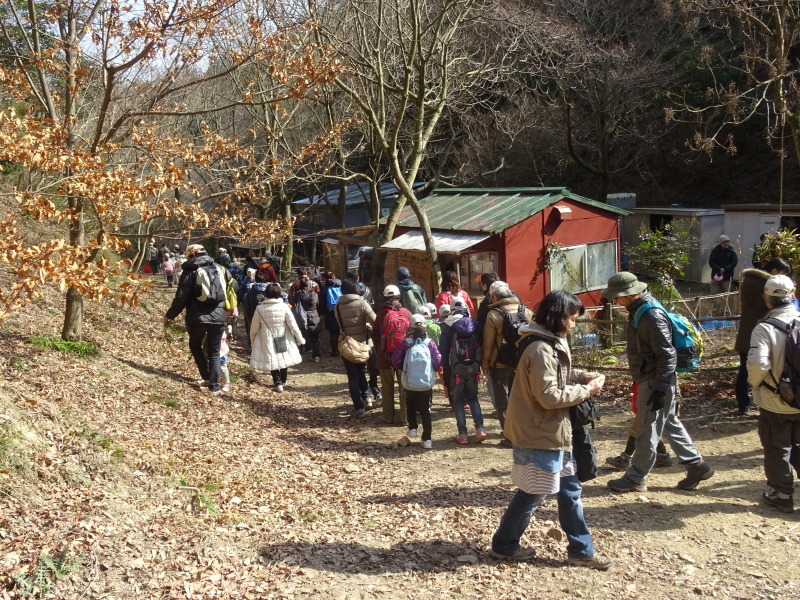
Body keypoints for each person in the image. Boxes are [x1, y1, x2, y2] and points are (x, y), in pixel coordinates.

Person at [490, 291, 611, 569]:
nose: (574, 324)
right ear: (559, 317)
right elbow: (549, 396)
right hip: (539, 433)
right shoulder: (539, 348)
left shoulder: (550, 341)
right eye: (572, 318)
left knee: (570, 492)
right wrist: (586, 390)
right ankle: (504, 545)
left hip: (554, 432)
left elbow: (557, 374)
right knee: (532, 494)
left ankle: (581, 550)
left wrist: (581, 377)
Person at [601, 272, 714, 492]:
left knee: (646, 428)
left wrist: (660, 388)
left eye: (617, 296)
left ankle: (636, 477)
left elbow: (666, 353)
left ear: (631, 294)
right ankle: (697, 466)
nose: (614, 301)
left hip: (655, 379)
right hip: (657, 377)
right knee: (669, 422)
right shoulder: (641, 310)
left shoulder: (650, 315)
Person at [747, 274, 800, 513]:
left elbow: (758, 364)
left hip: (775, 400)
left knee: (777, 447)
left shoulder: (764, 328)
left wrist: (755, 384)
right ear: (793, 295)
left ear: (766, 299)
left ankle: (782, 495)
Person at [164, 244, 233, 395]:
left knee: (195, 346)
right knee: (214, 352)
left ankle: (207, 377)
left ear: (191, 255)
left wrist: (169, 315)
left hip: (198, 318)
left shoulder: (190, 271)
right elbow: (232, 287)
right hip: (219, 316)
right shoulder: (220, 268)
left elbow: (181, 297)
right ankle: (214, 387)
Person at [736, 258, 794, 416]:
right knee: (767, 369)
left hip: (747, 334)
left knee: (744, 371)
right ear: (774, 272)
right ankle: (764, 401)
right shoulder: (769, 290)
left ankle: (744, 405)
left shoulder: (750, 283)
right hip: (766, 333)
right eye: (783, 274)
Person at [482, 281, 533, 444]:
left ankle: (509, 437)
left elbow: (488, 344)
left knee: (503, 403)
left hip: (499, 364)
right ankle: (522, 432)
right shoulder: (526, 312)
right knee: (519, 400)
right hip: (521, 362)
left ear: (495, 296)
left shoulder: (493, 315)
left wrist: (485, 364)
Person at [392, 314, 442, 449]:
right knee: (425, 410)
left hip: (410, 381)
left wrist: (404, 368)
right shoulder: (430, 343)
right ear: (424, 326)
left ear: (410, 327)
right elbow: (438, 360)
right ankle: (427, 440)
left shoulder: (406, 342)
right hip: (426, 382)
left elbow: (395, 359)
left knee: (410, 404)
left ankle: (413, 429)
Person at [250, 283, 305, 392]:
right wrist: (299, 338)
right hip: (283, 335)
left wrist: (252, 340)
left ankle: (277, 382)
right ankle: (283, 380)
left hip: (266, 337)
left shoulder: (260, 308)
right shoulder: (284, 306)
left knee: (272, 358)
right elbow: (292, 324)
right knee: (283, 357)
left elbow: (254, 327)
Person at [335, 279, 377, 417]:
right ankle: (367, 397)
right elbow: (375, 320)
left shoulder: (338, 307)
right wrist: (366, 326)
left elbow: (344, 325)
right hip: (363, 345)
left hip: (347, 345)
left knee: (353, 376)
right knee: (362, 371)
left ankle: (359, 407)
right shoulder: (362, 303)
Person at [372, 285, 412, 424]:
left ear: (385, 297)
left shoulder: (381, 314)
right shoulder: (406, 313)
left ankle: (388, 417)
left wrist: (380, 350)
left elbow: (375, 335)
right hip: (403, 357)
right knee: (404, 386)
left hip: (385, 356)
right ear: (399, 297)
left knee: (387, 387)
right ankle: (405, 418)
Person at [447, 313, 486, 444]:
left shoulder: (452, 330)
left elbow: (446, 351)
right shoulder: (474, 330)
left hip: (457, 372)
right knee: (473, 398)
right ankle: (480, 429)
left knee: (458, 401)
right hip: (473, 370)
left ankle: (463, 434)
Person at [296, 277, 322, 362]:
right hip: (313, 316)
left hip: (301, 316)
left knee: (300, 336)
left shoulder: (298, 294)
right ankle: (316, 355)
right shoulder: (314, 294)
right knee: (315, 338)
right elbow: (317, 304)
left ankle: (299, 354)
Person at [320, 272, 342, 357]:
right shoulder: (340, 286)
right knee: (341, 330)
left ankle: (335, 351)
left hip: (330, 312)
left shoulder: (325, 288)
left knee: (333, 332)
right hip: (340, 310)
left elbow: (322, 302)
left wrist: (322, 312)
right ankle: (342, 349)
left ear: (325, 278)